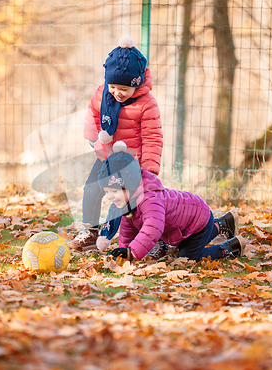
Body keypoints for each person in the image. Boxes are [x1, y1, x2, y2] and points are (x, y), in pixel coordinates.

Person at [69, 36, 164, 254]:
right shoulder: (103, 95)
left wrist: (149, 168)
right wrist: (95, 141)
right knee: (92, 188)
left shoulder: (147, 103)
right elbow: (92, 116)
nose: (116, 93)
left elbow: (153, 137)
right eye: (113, 86)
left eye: (123, 89)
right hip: (107, 157)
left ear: (137, 83)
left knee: (133, 205)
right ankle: (90, 232)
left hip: (134, 164)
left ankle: (148, 239)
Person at [96, 145, 246, 261]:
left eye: (114, 191)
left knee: (187, 258)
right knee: (183, 247)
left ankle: (230, 248)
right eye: (107, 191)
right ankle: (225, 223)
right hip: (188, 222)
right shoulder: (127, 203)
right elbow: (128, 230)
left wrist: (132, 252)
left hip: (198, 219)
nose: (109, 197)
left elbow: (153, 228)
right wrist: (124, 250)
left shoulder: (149, 200)